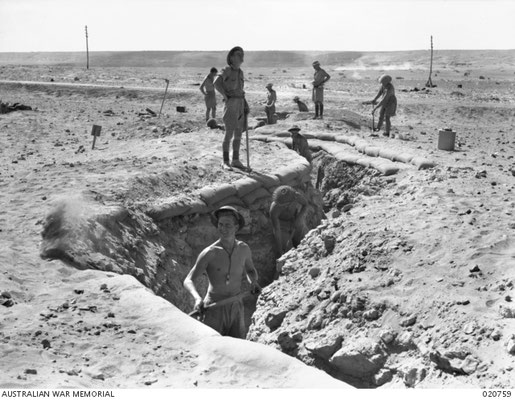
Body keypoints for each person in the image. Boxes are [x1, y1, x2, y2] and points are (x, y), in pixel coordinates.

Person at [183, 206, 261, 339]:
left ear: (236, 227)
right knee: (213, 345)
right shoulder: (210, 253)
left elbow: (250, 270)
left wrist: (253, 282)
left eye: (228, 225)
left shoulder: (243, 249)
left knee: (237, 345)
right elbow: (188, 280)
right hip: (214, 307)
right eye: (220, 224)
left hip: (236, 305)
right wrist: (197, 298)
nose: (223, 229)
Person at [214, 46, 249, 170]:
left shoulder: (240, 72)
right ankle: (225, 161)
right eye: (238, 55)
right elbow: (216, 83)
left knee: (238, 133)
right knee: (229, 133)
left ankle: (235, 159)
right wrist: (225, 95)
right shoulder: (227, 70)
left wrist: (245, 104)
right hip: (231, 103)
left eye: (242, 55)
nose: (241, 58)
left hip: (240, 102)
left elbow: (241, 89)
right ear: (232, 57)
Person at [270, 186, 308, 260]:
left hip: (294, 218)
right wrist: (281, 251)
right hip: (282, 225)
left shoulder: (296, 196)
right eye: (282, 205)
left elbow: (305, 205)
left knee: (305, 239)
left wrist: (299, 217)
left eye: (286, 204)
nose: (285, 207)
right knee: (288, 251)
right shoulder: (274, 209)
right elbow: (277, 231)